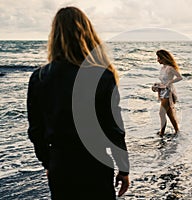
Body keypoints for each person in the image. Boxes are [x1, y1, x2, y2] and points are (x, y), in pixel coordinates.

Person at [27, 7, 129, 199]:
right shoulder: (102, 75)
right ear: (87, 33)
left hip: (61, 165)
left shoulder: (39, 77)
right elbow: (114, 128)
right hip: (96, 164)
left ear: (54, 36)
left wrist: (48, 163)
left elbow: (35, 130)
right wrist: (123, 169)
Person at [153, 49, 183, 136]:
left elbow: (179, 77)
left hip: (168, 92)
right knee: (169, 114)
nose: (157, 59)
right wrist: (157, 85)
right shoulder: (162, 68)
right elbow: (163, 81)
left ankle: (162, 133)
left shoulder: (170, 68)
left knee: (161, 113)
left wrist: (170, 82)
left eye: (158, 57)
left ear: (163, 58)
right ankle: (177, 131)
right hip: (162, 91)